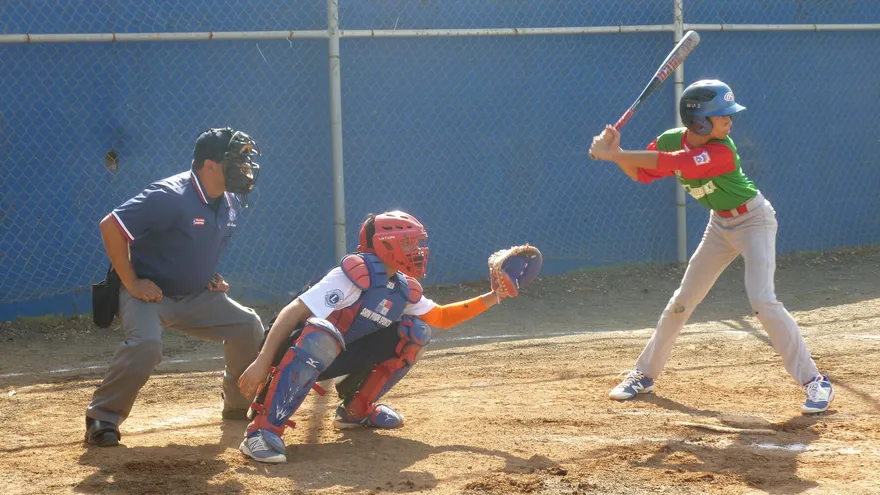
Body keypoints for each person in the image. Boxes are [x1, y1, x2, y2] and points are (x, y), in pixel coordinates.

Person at [588, 79, 834, 414]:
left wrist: (611, 153)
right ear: (699, 121)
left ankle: (815, 381)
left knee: (762, 300)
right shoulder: (671, 139)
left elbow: (674, 163)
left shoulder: (722, 150)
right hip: (719, 225)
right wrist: (615, 155)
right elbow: (642, 173)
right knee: (682, 301)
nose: (730, 121)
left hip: (754, 221)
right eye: (723, 115)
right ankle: (644, 374)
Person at [237, 211, 519, 464]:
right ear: (386, 244)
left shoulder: (401, 287)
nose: (417, 250)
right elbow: (294, 310)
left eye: (416, 243)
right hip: (295, 350)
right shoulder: (352, 274)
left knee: (416, 331)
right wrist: (262, 361)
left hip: (337, 354)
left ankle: (355, 410)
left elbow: (442, 317)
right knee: (323, 333)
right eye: (408, 243)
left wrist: (495, 296)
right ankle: (262, 431)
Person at [85, 127, 266, 447]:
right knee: (146, 345)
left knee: (247, 325)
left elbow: (198, 241)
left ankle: (237, 404)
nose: (244, 168)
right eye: (235, 161)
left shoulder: (231, 200)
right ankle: (103, 415)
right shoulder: (169, 195)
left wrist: (208, 274)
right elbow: (111, 225)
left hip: (195, 294)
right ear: (210, 165)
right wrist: (132, 281)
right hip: (148, 295)